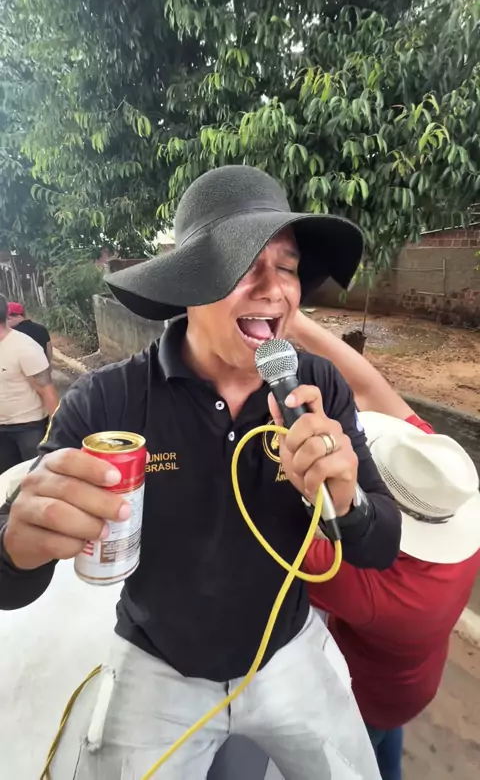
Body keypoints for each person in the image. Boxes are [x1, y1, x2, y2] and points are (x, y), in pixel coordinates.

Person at [0, 166, 401, 780]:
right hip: (159, 664)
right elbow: (12, 584)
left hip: (286, 652)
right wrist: (15, 545)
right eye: (245, 264)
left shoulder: (316, 387)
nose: (274, 289)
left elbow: (381, 546)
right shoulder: (110, 400)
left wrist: (348, 504)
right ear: (188, 284)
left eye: (287, 267)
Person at [290, 312, 480, 780]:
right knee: (387, 749)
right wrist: (293, 322)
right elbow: (370, 386)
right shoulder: (435, 480)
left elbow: (282, 546)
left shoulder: (378, 584)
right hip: (414, 684)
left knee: (353, 758)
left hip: (365, 697)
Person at [0, 294, 59, 475]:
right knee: (8, 480)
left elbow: (47, 390)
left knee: (36, 477)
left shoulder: (24, 347)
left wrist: (56, 431)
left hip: (28, 428)